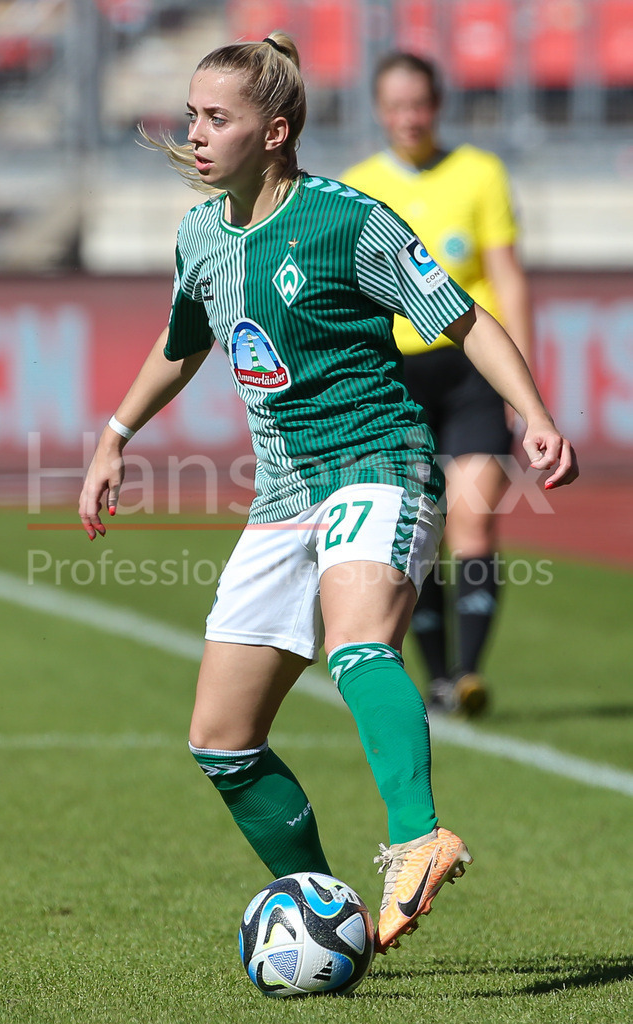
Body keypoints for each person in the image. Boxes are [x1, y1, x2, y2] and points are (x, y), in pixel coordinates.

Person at [78, 33, 578, 955]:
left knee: (357, 645)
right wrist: (115, 436)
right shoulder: (198, 234)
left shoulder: (348, 220)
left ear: (274, 132)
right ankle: (317, 909)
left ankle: (421, 837)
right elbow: (184, 339)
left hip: (379, 463)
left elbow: (463, 324)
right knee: (221, 741)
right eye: (191, 114)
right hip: (281, 495)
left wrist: (533, 413)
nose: (194, 133)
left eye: (215, 118)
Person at [343, 53, 534, 716]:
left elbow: (506, 277)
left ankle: (469, 672)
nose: (408, 118)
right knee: (416, 530)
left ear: (437, 104)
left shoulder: (479, 173)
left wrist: (521, 386)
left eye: (418, 104)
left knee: (473, 524)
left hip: (471, 369)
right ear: (378, 109)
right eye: (394, 106)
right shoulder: (356, 186)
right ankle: (437, 679)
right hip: (395, 375)